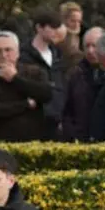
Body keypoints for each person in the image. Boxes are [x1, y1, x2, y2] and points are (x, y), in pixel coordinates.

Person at [0, 31, 54, 142]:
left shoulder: (34, 72)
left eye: (8, 50)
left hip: (34, 140)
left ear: (17, 52)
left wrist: (15, 79)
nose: (4, 55)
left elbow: (47, 95)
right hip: (0, 140)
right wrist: (25, 104)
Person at [20, 9, 67, 139]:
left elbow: (61, 85)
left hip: (56, 121)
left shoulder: (57, 54)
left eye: (57, 27)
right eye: (51, 27)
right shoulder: (23, 55)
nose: (55, 31)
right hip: (33, 120)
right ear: (39, 28)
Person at [61, 28, 105, 142]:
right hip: (79, 140)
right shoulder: (76, 74)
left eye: (95, 46)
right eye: (87, 46)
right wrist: (72, 133)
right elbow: (67, 110)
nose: (90, 51)